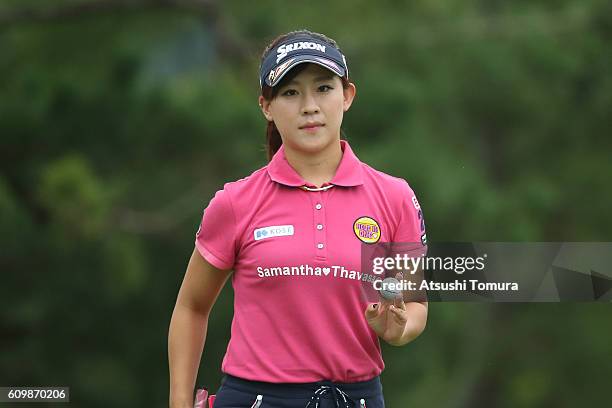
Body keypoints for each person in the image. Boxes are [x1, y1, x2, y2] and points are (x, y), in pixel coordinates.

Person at [168, 29, 428, 408]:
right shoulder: (237, 202)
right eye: (290, 92)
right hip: (256, 398)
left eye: (323, 88)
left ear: (347, 96)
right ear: (266, 106)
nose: (310, 106)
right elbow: (192, 307)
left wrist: (401, 329)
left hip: (355, 398)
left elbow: (414, 303)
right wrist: (178, 402)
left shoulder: (393, 198)